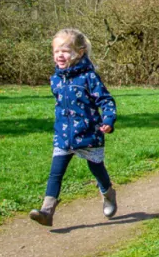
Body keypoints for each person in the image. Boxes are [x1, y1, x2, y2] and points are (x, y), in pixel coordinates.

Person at [30, 28, 118, 227]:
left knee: (97, 169)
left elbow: (106, 101)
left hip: (88, 134)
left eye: (65, 51)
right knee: (56, 172)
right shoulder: (55, 79)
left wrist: (108, 121)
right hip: (63, 136)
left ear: (79, 53)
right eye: (56, 51)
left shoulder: (89, 77)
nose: (60, 55)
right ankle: (47, 211)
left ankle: (108, 194)